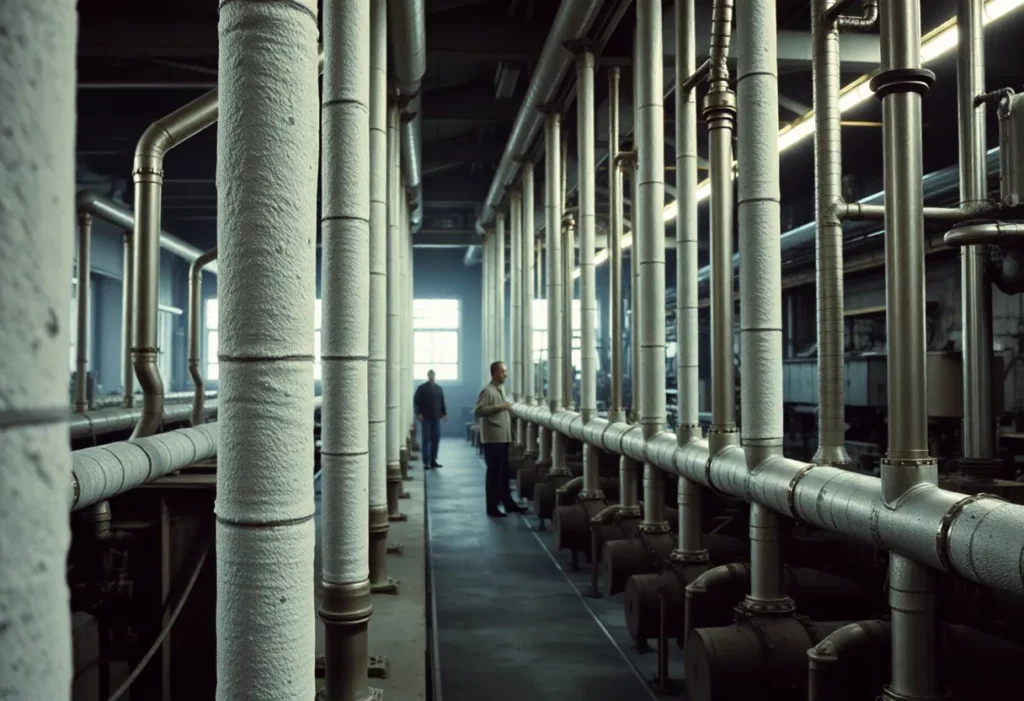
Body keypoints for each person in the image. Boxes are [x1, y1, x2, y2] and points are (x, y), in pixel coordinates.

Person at [474, 361, 526, 517]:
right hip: (493, 438)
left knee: (503, 473)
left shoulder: (501, 390)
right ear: (494, 373)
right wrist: (499, 407)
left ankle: (508, 503)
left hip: (502, 437)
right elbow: (478, 410)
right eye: (502, 371)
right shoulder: (487, 391)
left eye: (506, 371)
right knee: (494, 474)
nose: (505, 374)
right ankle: (492, 507)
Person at [414, 369, 447, 469]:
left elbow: (442, 402)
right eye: (430, 375)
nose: (432, 376)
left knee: (435, 438)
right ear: (428, 376)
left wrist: (444, 414)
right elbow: (416, 402)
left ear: (435, 376)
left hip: (436, 417)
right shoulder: (421, 388)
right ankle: (426, 461)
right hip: (426, 416)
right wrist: (418, 413)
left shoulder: (438, 388)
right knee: (426, 438)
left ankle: (433, 460)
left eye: (433, 375)